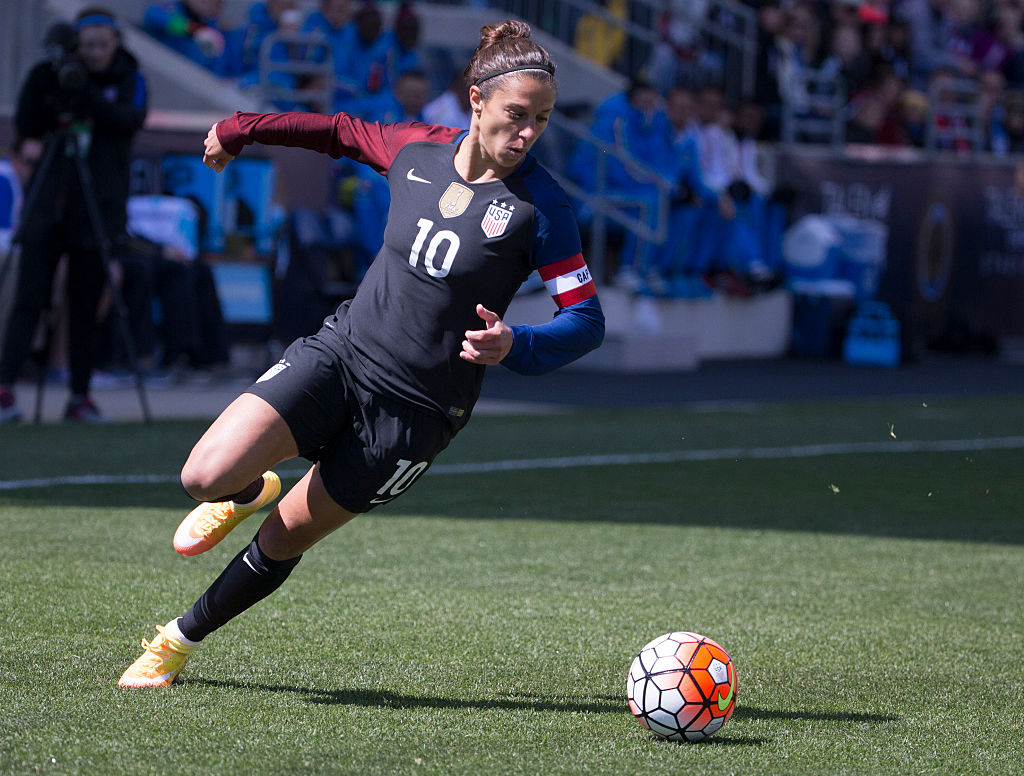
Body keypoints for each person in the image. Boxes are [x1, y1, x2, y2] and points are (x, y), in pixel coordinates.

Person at [118, 19, 605, 687]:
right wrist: (243, 126)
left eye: (541, 121)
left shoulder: (542, 209)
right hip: (342, 354)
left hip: (419, 411)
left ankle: (176, 641)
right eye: (516, 116)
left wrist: (514, 343)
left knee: (287, 536)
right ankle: (246, 489)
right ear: (476, 101)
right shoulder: (415, 150)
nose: (527, 134)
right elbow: (336, 132)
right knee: (203, 475)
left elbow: (585, 321)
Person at [0, 8, 148, 424]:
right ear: (75, 47)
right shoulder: (53, 74)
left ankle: (79, 395)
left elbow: (128, 121)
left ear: (116, 43)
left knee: (84, 304)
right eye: (88, 47)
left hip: (98, 205)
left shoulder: (128, 78)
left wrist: (88, 98)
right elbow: (27, 123)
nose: (96, 54)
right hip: (50, 202)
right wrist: (49, 83)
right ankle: (5, 388)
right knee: (29, 300)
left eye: (104, 45)